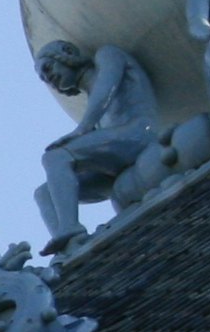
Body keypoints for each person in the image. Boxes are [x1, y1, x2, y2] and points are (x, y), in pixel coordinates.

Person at [33, 37, 165, 248]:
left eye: (48, 68)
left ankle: (70, 226)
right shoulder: (96, 116)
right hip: (117, 164)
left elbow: (107, 88)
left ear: (66, 52)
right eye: (45, 79)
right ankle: (69, 245)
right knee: (43, 192)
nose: (50, 79)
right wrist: (86, 131)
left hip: (139, 135)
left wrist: (82, 130)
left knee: (55, 157)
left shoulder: (108, 54)